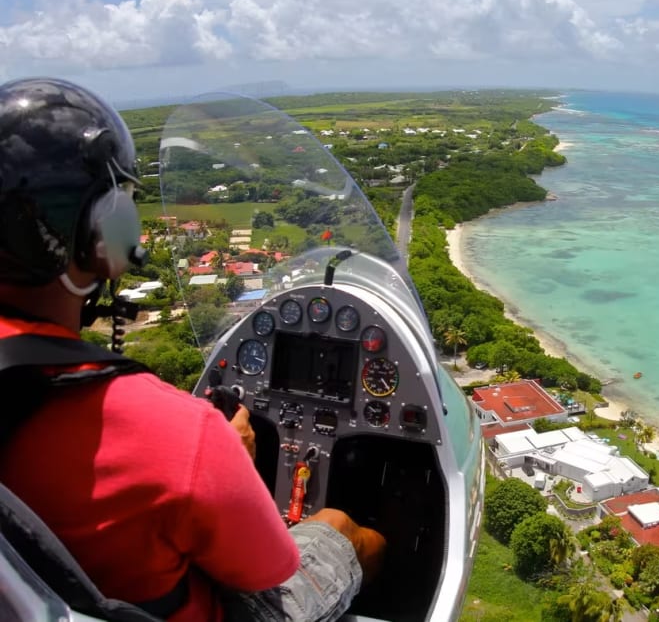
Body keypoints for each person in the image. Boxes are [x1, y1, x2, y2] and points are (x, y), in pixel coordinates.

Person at [0, 77, 385, 621]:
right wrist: (235, 472)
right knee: (345, 529)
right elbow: (267, 573)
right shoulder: (176, 434)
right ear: (105, 233)